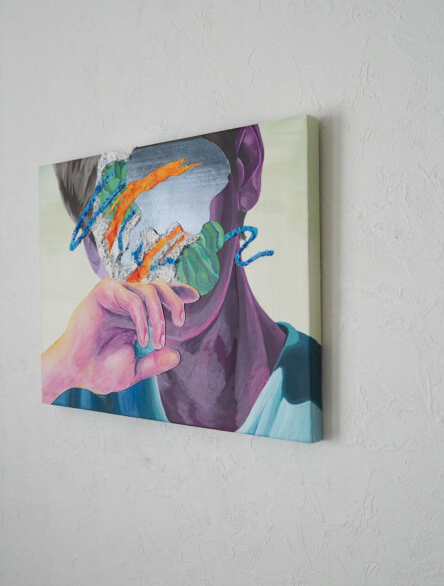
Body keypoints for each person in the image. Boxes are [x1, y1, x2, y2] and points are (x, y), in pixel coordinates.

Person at [41, 125, 321, 442]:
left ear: (245, 167)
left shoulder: (319, 391)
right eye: (119, 216)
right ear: (94, 251)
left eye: (177, 189)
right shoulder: (75, 391)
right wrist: (63, 369)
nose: (160, 252)